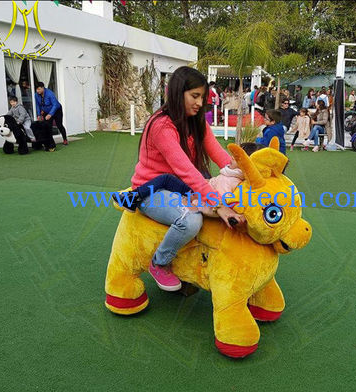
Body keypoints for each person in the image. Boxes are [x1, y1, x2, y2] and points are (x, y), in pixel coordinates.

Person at [127, 66, 245, 291]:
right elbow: (186, 170)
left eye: (202, 97)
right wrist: (218, 205)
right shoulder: (161, 125)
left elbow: (220, 155)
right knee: (191, 220)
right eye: (195, 96)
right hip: (152, 190)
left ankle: (193, 268)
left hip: (181, 188)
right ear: (177, 92)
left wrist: (244, 173)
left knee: (229, 203)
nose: (200, 103)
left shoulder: (197, 122)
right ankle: (159, 262)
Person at [113, 143, 265, 213]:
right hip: (203, 188)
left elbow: (217, 201)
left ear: (244, 165)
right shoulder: (232, 174)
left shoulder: (229, 180)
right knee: (200, 171)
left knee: (166, 179)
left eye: (236, 157)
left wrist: (193, 201)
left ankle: (133, 198)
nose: (230, 157)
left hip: (195, 194)